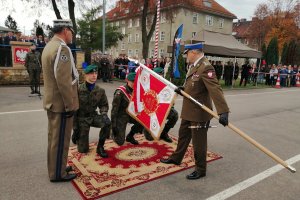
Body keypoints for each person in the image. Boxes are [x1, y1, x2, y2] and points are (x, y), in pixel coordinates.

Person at [160, 42, 230, 180]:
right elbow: (194, 86)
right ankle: (176, 158)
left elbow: (215, 89)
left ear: (194, 53)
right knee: (183, 136)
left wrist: (223, 111)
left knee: (199, 143)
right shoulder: (195, 66)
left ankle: (200, 169)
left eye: (187, 54)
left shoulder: (206, 67)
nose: (186, 56)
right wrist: (183, 89)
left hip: (199, 113)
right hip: (189, 110)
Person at [42, 19, 79, 182]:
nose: (72, 35)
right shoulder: (62, 49)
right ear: (65, 30)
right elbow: (63, 82)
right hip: (61, 104)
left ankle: (58, 167)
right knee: (61, 141)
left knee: (54, 139)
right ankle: (58, 174)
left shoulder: (49, 46)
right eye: (71, 31)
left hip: (52, 102)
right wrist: (69, 104)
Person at [71, 65, 111, 158]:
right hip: (82, 118)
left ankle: (100, 147)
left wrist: (104, 114)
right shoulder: (78, 89)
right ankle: (80, 139)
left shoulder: (100, 90)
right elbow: (74, 110)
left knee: (107, 123)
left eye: (95, 73)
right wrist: (75, 129)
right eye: (91, 73)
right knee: (83, 150)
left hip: (93, 116)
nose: (94, 75)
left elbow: (103, 105)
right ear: (85, 75)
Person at [143, 67, 178, 143]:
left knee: (174, 115)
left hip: (162, 108)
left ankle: (164, 133)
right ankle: (146, 129)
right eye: (159, 75)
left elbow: (169, 99)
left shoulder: (166, 85)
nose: (161, 76)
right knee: (150, 138)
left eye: (161, 74)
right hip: (152, 110)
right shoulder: (149, 84)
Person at [111, 72, 144, 145]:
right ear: (127, 80)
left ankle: (130, 136)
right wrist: (113, 125)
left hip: (131, 114)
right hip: (121, 116)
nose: (134, 83)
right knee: (120, 142)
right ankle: (113, 133)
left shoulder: (137, 91)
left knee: (142, 121)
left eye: (136, 82)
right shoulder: (120, 92)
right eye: (132, 81)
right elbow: (114, 111)